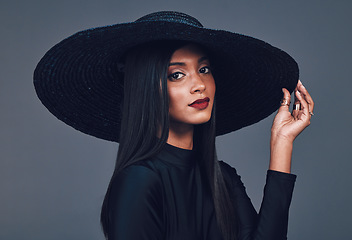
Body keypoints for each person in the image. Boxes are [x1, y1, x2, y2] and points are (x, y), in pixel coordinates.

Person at [34, 11, 314, 240]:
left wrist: (282, 142)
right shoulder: (139, 181)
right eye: (177, 74)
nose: (199, 85)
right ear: (147, 90)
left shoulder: (223, 178)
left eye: (204, 69)